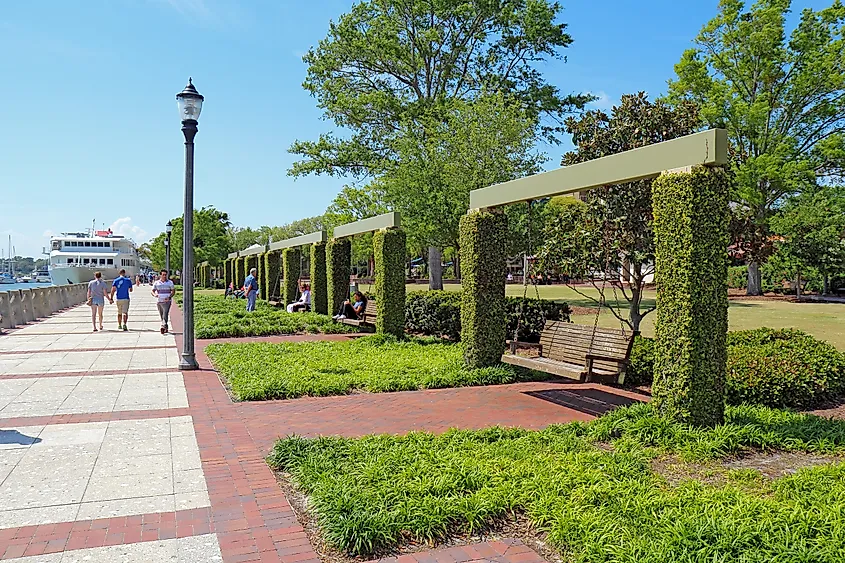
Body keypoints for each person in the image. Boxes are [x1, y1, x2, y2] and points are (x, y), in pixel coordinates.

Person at [152, 269, 176, 334]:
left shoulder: (170, 282)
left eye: (165, 275)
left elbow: (173, 291)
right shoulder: (157, 283)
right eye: (163, 275)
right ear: (160, 275)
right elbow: (152, 291)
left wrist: (169, 297)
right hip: (159, 301)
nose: (164, 276)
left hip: (167, 301)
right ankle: (166, 327)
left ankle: (163, 326)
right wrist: (155, 295)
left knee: (165, 314)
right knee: (162, 315)